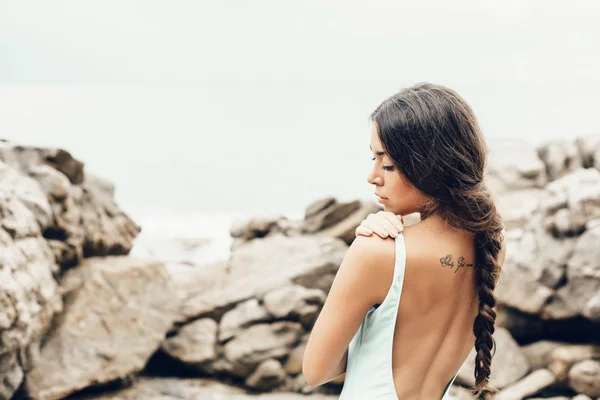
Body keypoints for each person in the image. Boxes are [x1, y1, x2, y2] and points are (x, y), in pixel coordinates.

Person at [302, 82, 507, 400]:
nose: (373, 176)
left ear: (429, 164)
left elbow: (317, 372)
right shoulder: (491, 244)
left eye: (387, 163)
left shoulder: (378, 252)